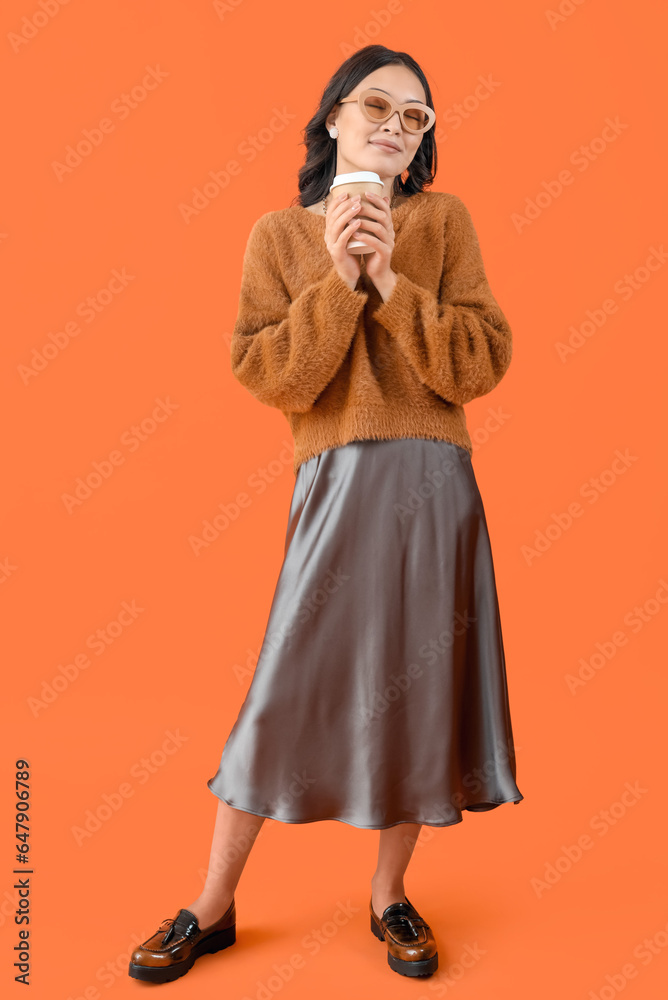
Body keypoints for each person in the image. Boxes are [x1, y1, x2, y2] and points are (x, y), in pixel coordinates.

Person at [129, 43, 523, 986]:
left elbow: (479, 362)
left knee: (420, 696)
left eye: (416, 117)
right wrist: (342, 280)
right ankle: (211, 907)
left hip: (438, 489)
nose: (396, 125)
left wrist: (391, 281)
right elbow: (274, 376)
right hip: (336, 484)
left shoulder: (443, 222)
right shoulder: (276, 235)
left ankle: (389, 896)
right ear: (334, 117)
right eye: (378, 105)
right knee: (282, 694)